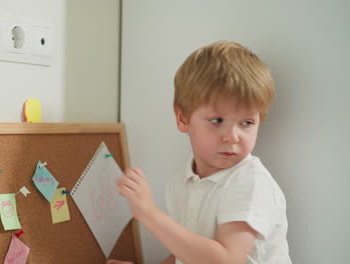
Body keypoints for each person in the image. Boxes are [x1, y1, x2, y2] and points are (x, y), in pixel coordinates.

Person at [107, 41, 291, 264]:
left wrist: (150, 214)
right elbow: (186, 253)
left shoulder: (250, 184)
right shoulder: (180, 183)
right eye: (217, 120)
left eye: (247, 122)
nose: (233, 136)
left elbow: (226, 259)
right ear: (183, 119)